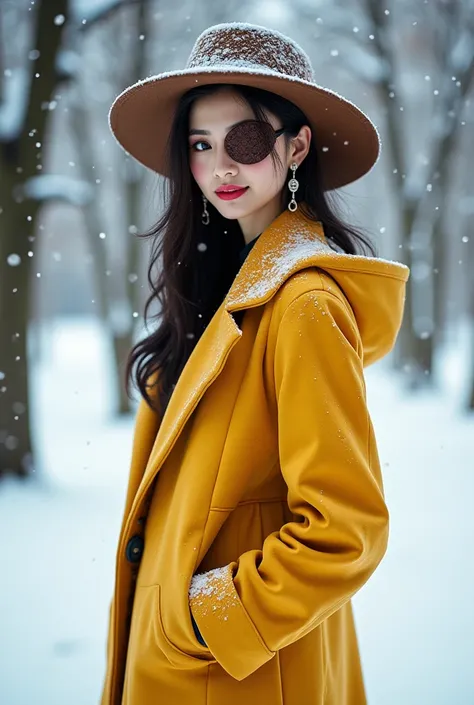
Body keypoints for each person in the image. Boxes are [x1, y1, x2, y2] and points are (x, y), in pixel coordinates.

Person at [102, 22, 410, 705]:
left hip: (242, 673)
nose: (221, 169)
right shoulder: (217, 295)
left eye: (244, 140)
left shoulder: (300, 304)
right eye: (200, 146)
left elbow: (345, 527)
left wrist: (208, 618)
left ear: (296, 145)